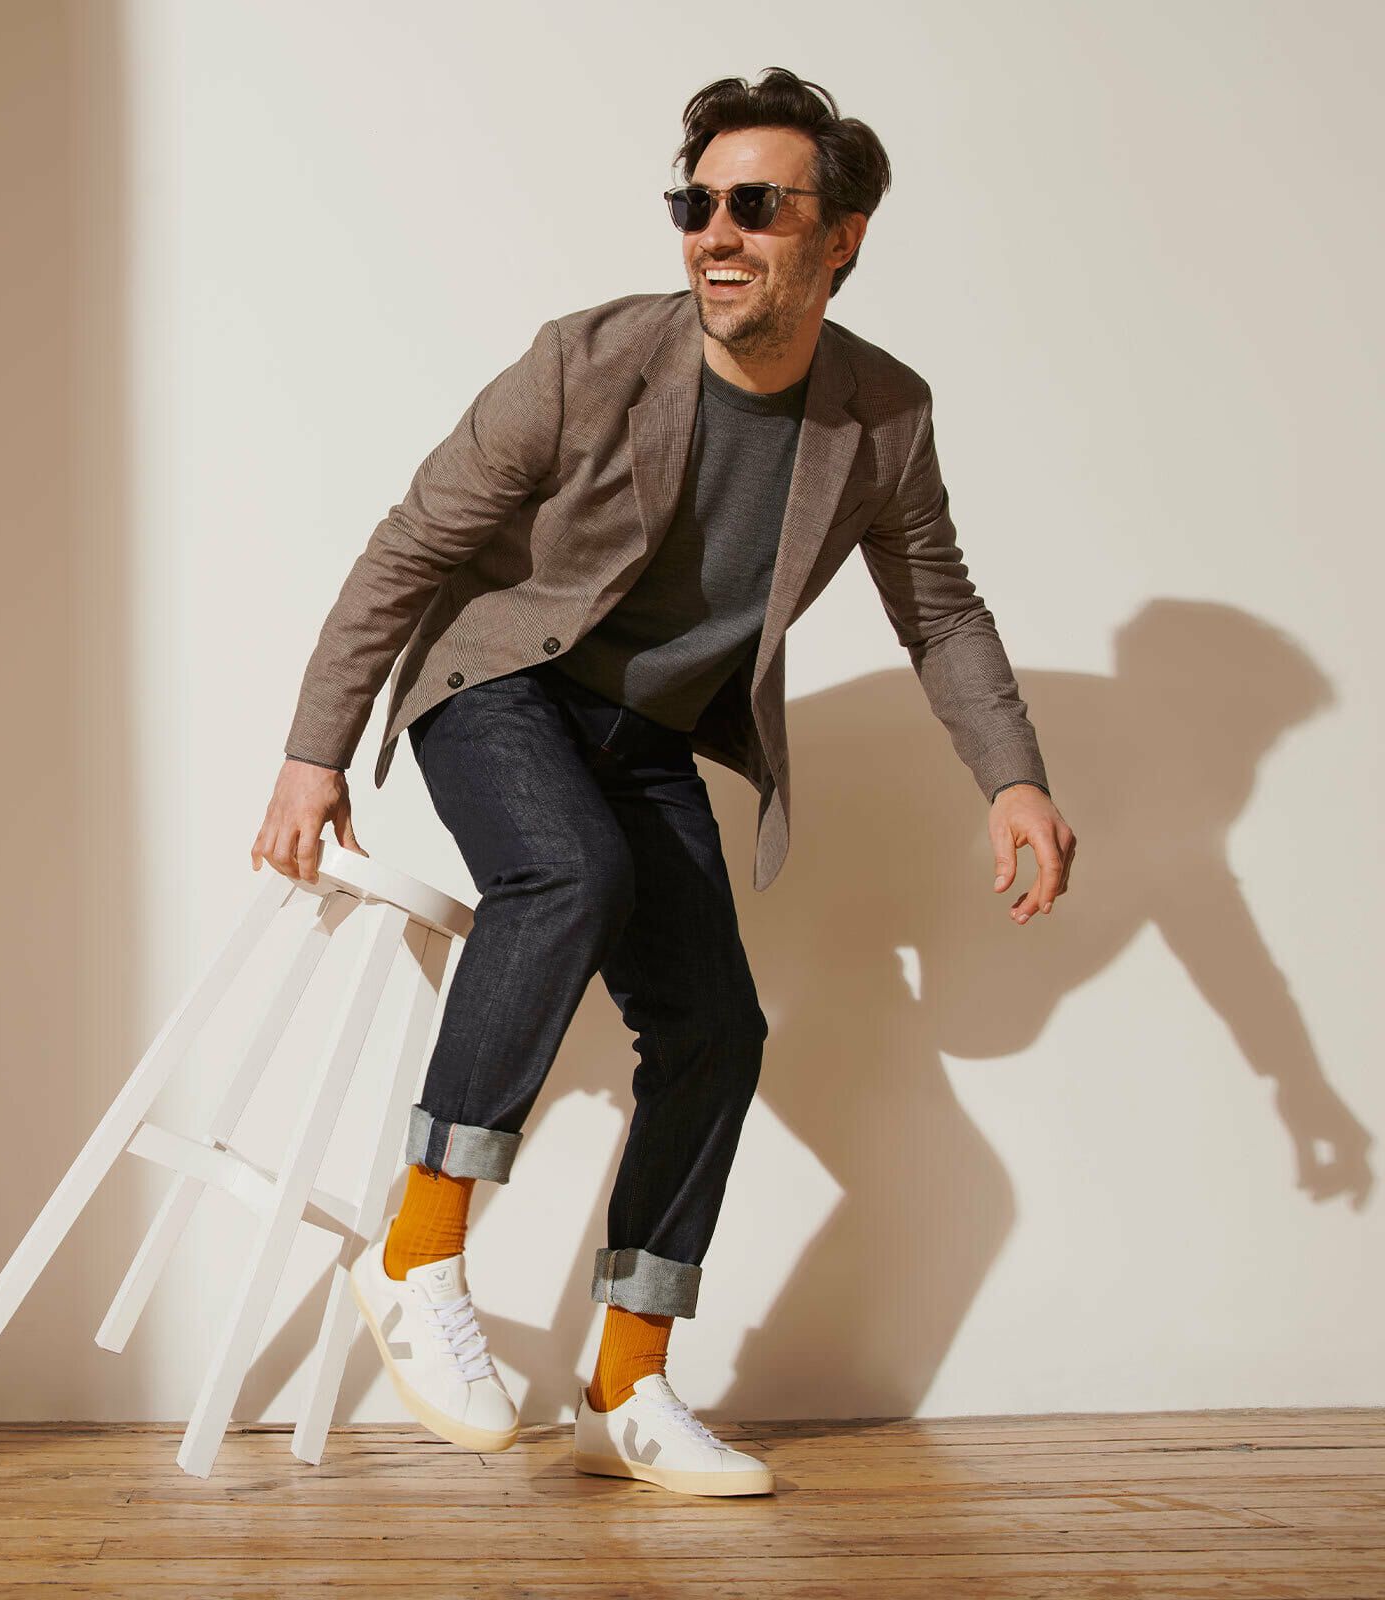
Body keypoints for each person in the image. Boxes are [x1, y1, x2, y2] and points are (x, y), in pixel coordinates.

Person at [250, 68, 1077, 1497]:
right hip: (500, 683)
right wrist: (314, 747)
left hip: (641, 734)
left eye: (758, 205)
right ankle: (417, 1245)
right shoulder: (586, 360)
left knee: (717, 1030)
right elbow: (413, 545)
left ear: (843, 238)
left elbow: (938, 610)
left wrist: (1013, 780)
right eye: (697, 203)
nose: (717, 232)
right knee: (572, 871)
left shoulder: (883, 416)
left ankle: (630, 1379)